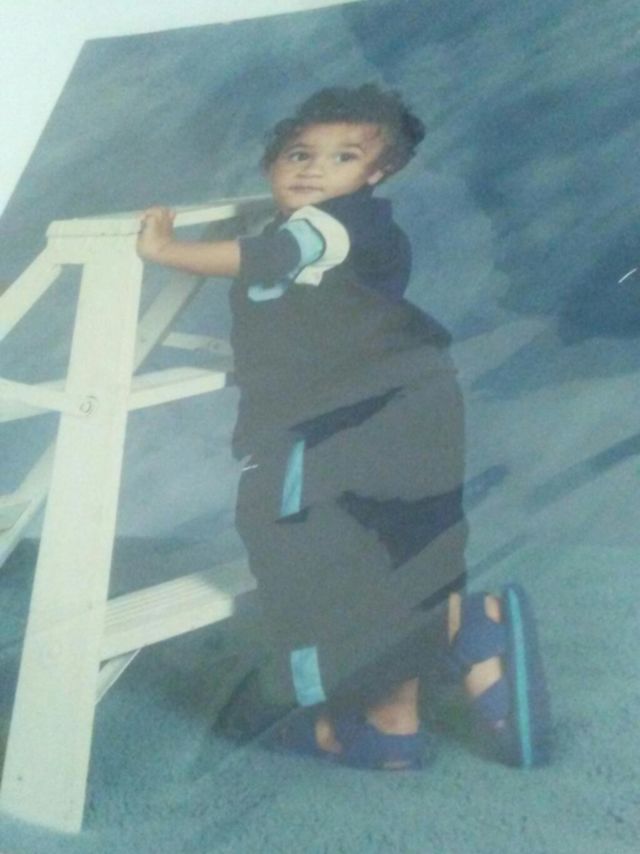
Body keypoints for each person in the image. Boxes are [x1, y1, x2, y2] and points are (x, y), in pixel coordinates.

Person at [137, 84, 549, 770]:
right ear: (271, 163)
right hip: (405, 403)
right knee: (389, 549)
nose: (314, 168)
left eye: (343, 156)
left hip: (352, 418)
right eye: (299, 153)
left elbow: (269, 258)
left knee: (309, 550)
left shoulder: (336, 225)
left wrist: (167, 250)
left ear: (376, 173)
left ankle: (444, 641)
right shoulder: (341, 228)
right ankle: (400, 709)